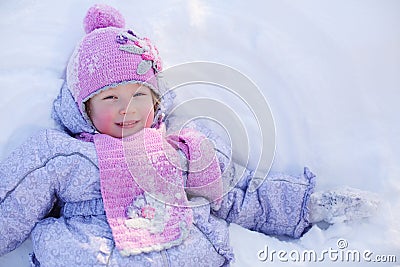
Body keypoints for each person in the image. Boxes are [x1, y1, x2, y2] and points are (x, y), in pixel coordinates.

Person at [0, 4, 379, 267]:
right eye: (110, 98)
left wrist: (308, 206)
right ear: (84, 108)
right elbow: (13, 201)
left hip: (184, 249)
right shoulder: (61, 156)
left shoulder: (182, 148)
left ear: (156, 99)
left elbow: (238, 193)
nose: (126, 108)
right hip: (93, 249)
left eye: (138, 95)